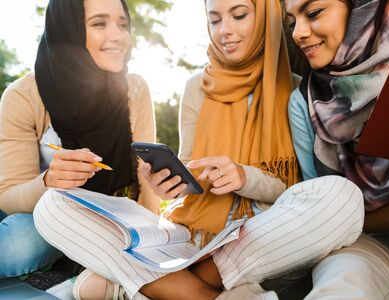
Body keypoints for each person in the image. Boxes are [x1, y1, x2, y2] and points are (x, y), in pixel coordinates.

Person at [34, 0, 365, 299]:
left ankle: (156, 286)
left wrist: (243, 176)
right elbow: (187, 172)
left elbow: (298, 192)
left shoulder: (295, 91)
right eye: (215, 19)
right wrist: (167, 183)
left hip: (258, 235)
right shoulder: (196, 88)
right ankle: (204, 293)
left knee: (341, 197)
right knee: (53, 206)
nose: (226, 31)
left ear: (264, 17)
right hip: (188, 233)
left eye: (238, 16)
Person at [286, 0, 389, 298]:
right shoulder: (304, 104)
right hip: (369, 245)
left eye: (312, 13)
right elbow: (328, 218)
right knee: (343, 287)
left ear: (362, 7)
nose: (298, 33)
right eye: (291, 21)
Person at [0, 0, 158, 278]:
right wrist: (50, 181)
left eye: (123, 24)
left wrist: (153, 241)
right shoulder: (23, 95)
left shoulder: (134, 88)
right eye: (99, 23)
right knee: (22, 245)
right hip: (34, 213)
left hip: (101, 218)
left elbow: (146, 182)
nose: (118, 35)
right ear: (68, 28)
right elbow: (9, 195)